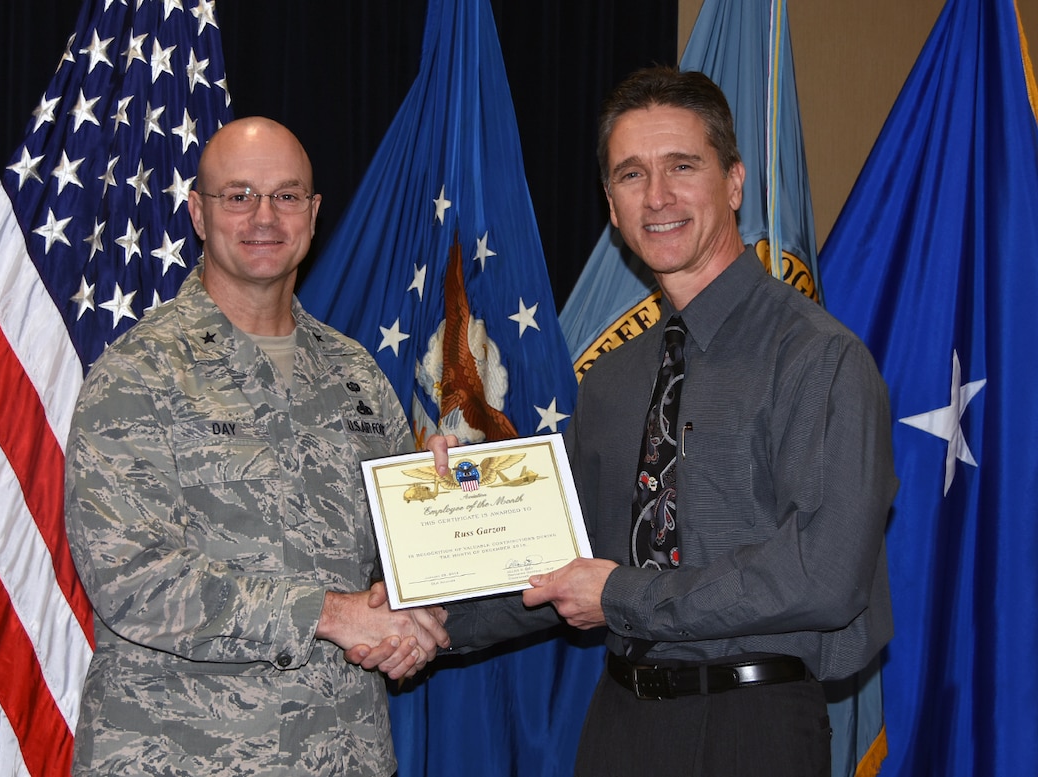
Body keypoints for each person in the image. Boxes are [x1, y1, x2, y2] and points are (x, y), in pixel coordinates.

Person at [353, 66, 897, 776]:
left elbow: (822, 574)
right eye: (632, 175)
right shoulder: (612, 381)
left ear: (733, 183)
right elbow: (550, 561)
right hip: (620, 728)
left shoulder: (819, 359)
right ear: (611, 205)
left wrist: (620, 595)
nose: (659, 196)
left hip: (753, 729)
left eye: (682, 166)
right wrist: (416, 603)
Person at [64, 117, 449, 777]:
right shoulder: (140, 373)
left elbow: (397, 565)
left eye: (287, 195)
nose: (264, 216)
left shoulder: (356, 374)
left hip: (342, 751)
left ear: (314, 211)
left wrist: (442, 526)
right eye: (238, 195)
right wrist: (329, 615)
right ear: (198, 213)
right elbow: (131, 578)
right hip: (181, 755)